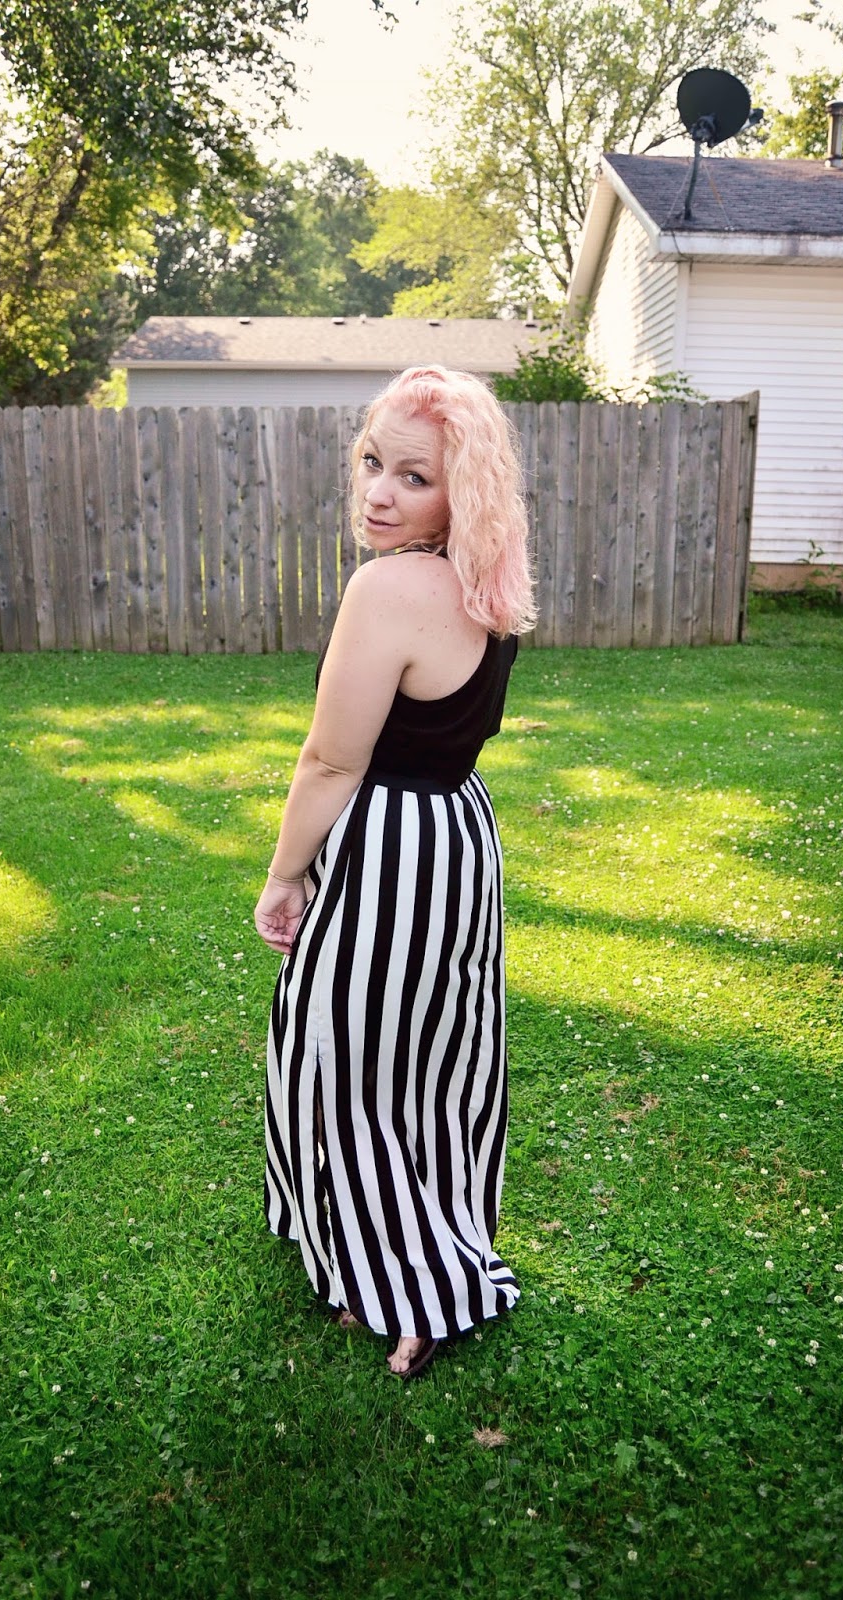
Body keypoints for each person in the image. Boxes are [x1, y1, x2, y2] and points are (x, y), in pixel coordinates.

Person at [253, 364, 536, 1380]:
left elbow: (331, 761)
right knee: (433, 1063)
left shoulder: (386, 588)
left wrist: (284, 875)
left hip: (387, 848)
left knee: (346, 1065)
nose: (378, 492)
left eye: (413, 477)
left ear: (463, 489)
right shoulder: (487, 580)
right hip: (458, 839)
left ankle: (416, 1285)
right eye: (372, 462)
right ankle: (396, 1241)